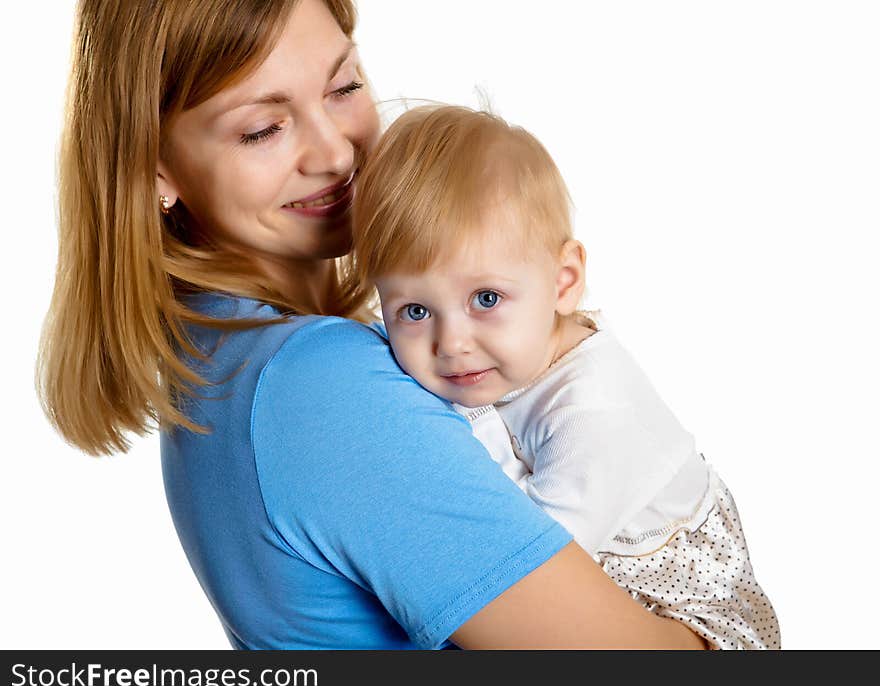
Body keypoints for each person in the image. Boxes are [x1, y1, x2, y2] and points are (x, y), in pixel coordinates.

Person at [38, 0, 708, 649]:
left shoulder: (221, 358)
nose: (334, 153)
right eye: (262, 129)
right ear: (155, 167)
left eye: (344, 86)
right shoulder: (316, 383)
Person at [349, 104, 780, 649]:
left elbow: (526, 566)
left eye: (486, 299)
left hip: (692, 621)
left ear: (563, 282)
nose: (451, 343)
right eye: (414, 311)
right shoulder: (505, 357)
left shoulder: (595, 411)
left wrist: (470, 423)